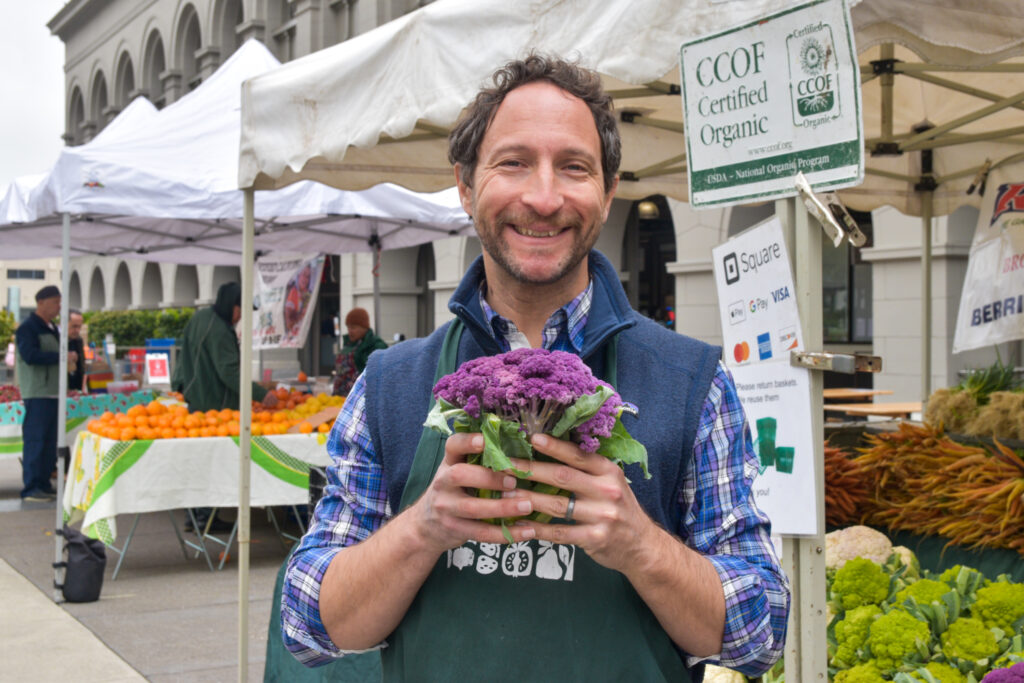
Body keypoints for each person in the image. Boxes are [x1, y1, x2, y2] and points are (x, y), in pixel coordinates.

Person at [282, 56, 789, 679]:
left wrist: (639, 544)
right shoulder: (389, 385)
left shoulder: (693, 383)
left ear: (607, 192)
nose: (544, 197)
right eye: (513, 162)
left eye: (574, 167)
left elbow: (761, 636)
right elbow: (307, 626)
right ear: (466, 187)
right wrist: (424, 528)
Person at [172, 282, 278, 531]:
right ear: (231, 304)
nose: (241, 316)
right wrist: (261, 394)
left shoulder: (202, 318)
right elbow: (229, 371)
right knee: (213, 462)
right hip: (214, 407)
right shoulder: (218, 330)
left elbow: (182, 352)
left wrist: (179, 385)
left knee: (199, 461)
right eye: (240, 309)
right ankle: (204, 517)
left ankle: (196, 515)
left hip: (196, 402)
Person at [16, 285, 74, 502]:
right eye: (55, 302)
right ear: (41, 302)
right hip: (38, 392)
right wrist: (60, 356)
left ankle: (43, 483)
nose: (59, 307)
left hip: (55, 392)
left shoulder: (53, 328)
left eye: (60, 302)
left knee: (50, 441)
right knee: (36, 440)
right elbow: (30, 355)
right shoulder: (28, 328)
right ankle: (31, 487)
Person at [331, 307, 388, 396]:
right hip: (340, 398)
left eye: (353, 328)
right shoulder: (348, 344)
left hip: (359, 398)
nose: (349, 331)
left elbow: (378, 376)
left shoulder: (376, 346)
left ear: (364, 327)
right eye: (348, 328)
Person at [67, 309, 87, 393]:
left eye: (79, 327)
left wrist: (82, 387)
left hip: (76, 389)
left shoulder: (78, 340)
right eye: (74, 326)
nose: (77, 330)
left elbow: (81, 365)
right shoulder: (56, 340)